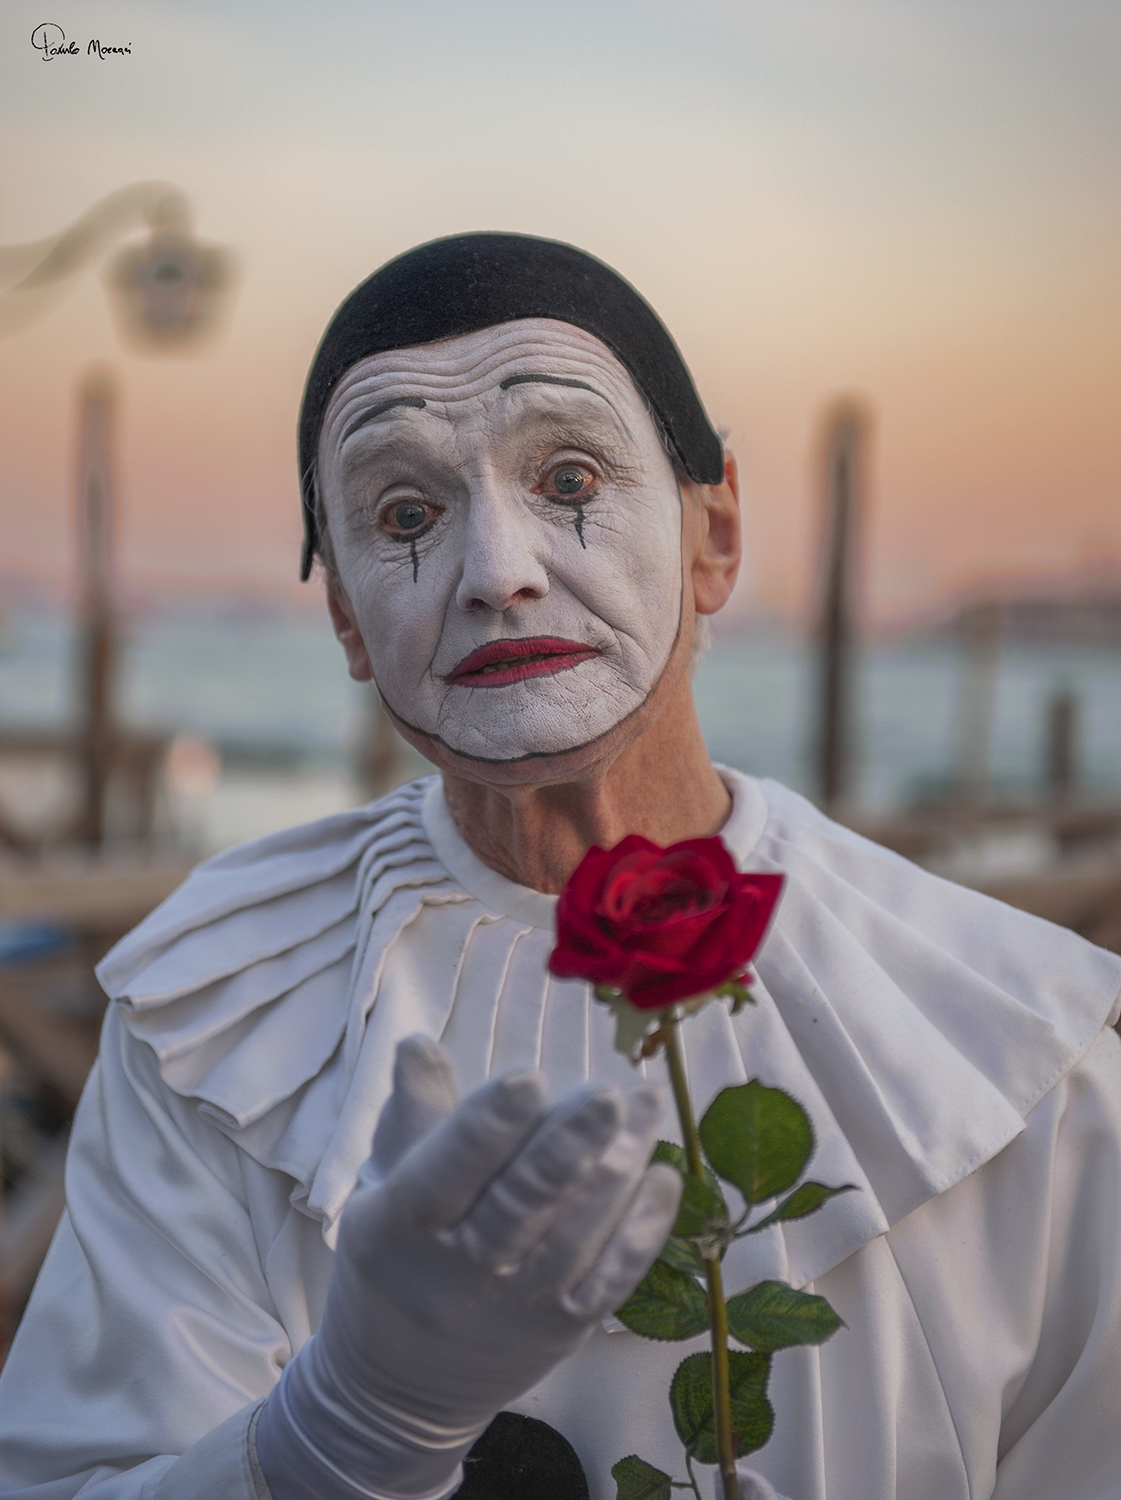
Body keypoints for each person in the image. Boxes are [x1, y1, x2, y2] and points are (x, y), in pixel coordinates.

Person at [1, 233, 1120, 1500]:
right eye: (405, 515)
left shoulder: (1016, 1052)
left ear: (714, 534)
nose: (497, 571)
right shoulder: (210, 1017)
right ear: (347, 619)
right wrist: (340, 1431)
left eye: (569, 477)